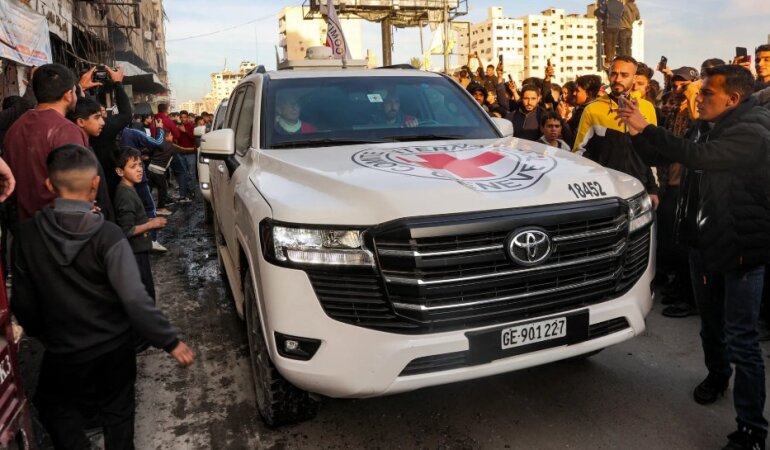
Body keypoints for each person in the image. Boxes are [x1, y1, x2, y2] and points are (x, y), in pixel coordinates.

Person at [618, 64, 770, 450]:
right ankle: (717, 376)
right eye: (699, 92)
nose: (698, 98)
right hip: (703, 242)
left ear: (733, 99)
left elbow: (699, 157)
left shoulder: (753, 130)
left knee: (743, 339)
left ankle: (751, 429)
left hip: (741, 251)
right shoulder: (706, 124)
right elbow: (668, 151)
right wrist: (635, 129)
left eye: (706, 93)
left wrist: (646, 126)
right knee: (710, 327)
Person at [10, 144, 194, 449]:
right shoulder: (108, 235)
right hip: (114, 348)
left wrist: (50, 335)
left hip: (64, 351)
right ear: (96, 183)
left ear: (49, 185)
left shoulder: (27, 235)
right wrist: (169, 340)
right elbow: (135, 298)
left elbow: (23, 304)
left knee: (56, 408)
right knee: (118, 415)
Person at [3, 63, 106, 221]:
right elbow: (78, 189)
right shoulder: (67, 130)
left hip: (23, 230)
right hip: (60, 229)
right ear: (68, 95)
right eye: (74, 91)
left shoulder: (14, 129)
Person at [572, 56, 659, 208]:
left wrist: (653, 188)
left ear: (634, 78)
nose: (618, 79)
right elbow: (579, 152)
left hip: (639, 189)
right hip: (604, 191)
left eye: (624, 75)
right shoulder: (592, 109)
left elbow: (652, 152)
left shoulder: (647, 108)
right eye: (614, 73)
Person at [114, 147, 167, 306]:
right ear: (120, 171)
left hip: (140, 250)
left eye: (140, 165)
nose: (139, 170)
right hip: (135, 253)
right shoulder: (125, 194)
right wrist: (151, 224)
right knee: (146, 297)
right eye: (133, 166)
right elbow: (126, 230)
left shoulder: (130, 188)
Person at [602, 0, 624, 67]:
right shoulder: (620, 4)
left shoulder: (607, 4)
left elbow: (603, 13)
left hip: (609, 25)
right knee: (613, 43)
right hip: (617, 25)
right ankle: (612, 59)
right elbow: (622, 14)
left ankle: (608, 60)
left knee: (608, 43)